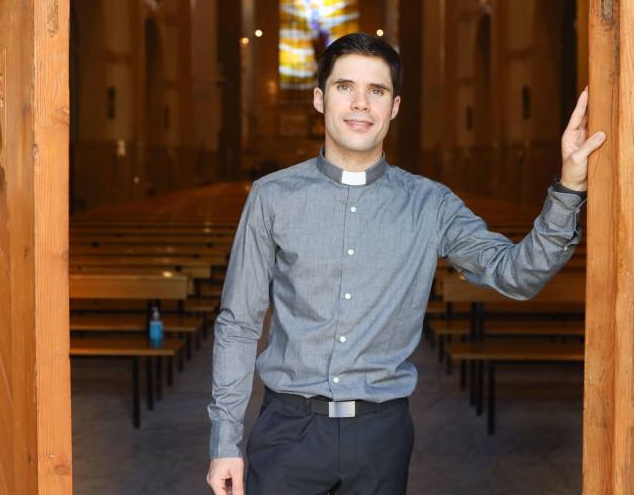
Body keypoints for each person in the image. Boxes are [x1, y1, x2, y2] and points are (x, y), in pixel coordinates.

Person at [206, 32, 606, 495]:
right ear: (320, 98)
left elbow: (517, 274)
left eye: (376, 91)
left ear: (394, 107)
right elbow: (238, 324)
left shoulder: (430, 205)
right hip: (287, 433)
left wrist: (570, 188)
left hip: (382, 436)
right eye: (344, 87)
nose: (360, 104)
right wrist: (224, 441)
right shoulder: (271, 197)